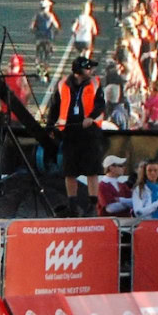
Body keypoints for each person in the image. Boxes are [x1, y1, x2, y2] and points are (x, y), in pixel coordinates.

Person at [43, 57, 106, 214]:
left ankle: (93, 204)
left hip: (90, 132)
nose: (91, 71)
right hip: (70, 132)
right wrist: (50, 125)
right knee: (69, 170)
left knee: (92, 170)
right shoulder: (63, 84)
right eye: (88, 68)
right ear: (79, 70)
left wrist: (91, 117)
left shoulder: (95, 83)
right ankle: (72, 204)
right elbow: (55, 106)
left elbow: (100, 104)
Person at [32, 0, 61, 67]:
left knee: (38, 49)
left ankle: (37, 61)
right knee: (48, 50)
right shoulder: (51, 15)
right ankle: (46, 63)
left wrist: (34, 31)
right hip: (48, 36)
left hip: (39, 36)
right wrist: (56, 32)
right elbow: (56, 25)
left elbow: (32, 26)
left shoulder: (38, 15)